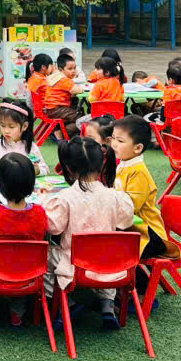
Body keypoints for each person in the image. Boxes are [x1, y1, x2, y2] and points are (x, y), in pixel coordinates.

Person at [42, 136, 135, 329]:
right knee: (108, 254)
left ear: (69, 168)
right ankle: (107, 306)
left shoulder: (65, 198)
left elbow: (53, 227)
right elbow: (126, 221)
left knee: (44, 256)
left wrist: (43, 201)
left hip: (76, 266)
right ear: (102, 165)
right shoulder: (116, 196)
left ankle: (68, 304)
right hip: (111, 265)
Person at [0, 152, 49, 329]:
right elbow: (43, 229)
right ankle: (17, 314)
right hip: (28, 275)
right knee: (19, 264)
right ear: (31, 183)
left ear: (0, 184)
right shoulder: (39, 214)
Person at [110, 116, 171, 298]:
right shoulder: (125, 165)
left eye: (120, 141)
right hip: (133, 228)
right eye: (113, 138)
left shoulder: (138, 172)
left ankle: (138, 288)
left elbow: (131, 207)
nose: (114, 144)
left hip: (149, 234)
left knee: (110, 245)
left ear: (137, 148)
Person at [0, 99, 49, 178]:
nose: (6, 131)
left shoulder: (32, 148)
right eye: (2, 125)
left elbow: (45, 170)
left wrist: (36, 169)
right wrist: (1, 171)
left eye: (11, 127)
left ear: (24, 126)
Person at [41, 52, 83, 140]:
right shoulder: (64, 80)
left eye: (74, 68)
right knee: (82, 118)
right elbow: (76, 90)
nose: (73, 71)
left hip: (50, 109)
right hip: (58, 109)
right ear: (61, 70)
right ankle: (63, 132)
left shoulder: (55, 77)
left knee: (76, 109)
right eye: (70, 69)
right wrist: (81, 89)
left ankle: (57, 130)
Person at [76, 114, 117, 187]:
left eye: (91, 138)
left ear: (108, 140)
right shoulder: (91, 153)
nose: (86, 141)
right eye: (85, 136)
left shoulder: (114, 160)